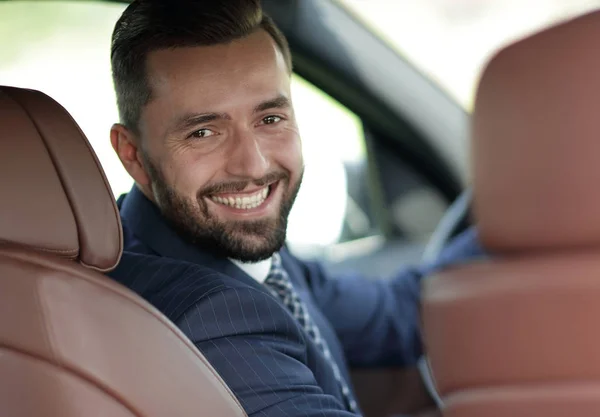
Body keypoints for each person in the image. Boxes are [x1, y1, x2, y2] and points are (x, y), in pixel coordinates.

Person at [107, 1, 483, 416]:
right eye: (203, 131)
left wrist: (523, 214)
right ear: (134, 155)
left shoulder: (224, 247)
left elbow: (395, 314)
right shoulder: (206, 318)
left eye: (269, 119)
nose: (254, 165)